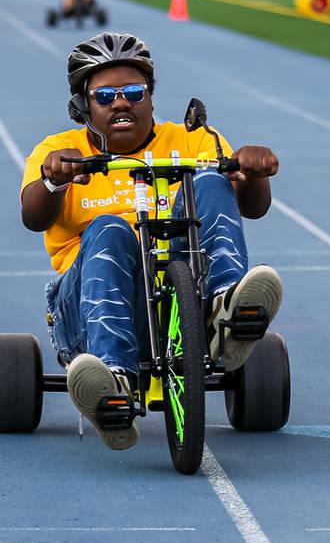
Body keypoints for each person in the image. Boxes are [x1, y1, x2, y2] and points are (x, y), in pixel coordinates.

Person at [20, 32, 283, 451]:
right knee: (109, 228)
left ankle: (224, 311)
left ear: (151, 98)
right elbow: (33, 217)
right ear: (83, 106)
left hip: (183, 295)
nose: (121, 102)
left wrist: (253, 175)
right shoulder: (60, 151)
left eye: (133, 92)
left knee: (212, 179)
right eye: (105, 95)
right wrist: (53, 181)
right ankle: (113, 380)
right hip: (92, 302)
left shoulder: (195, 140)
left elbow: (253, 207)